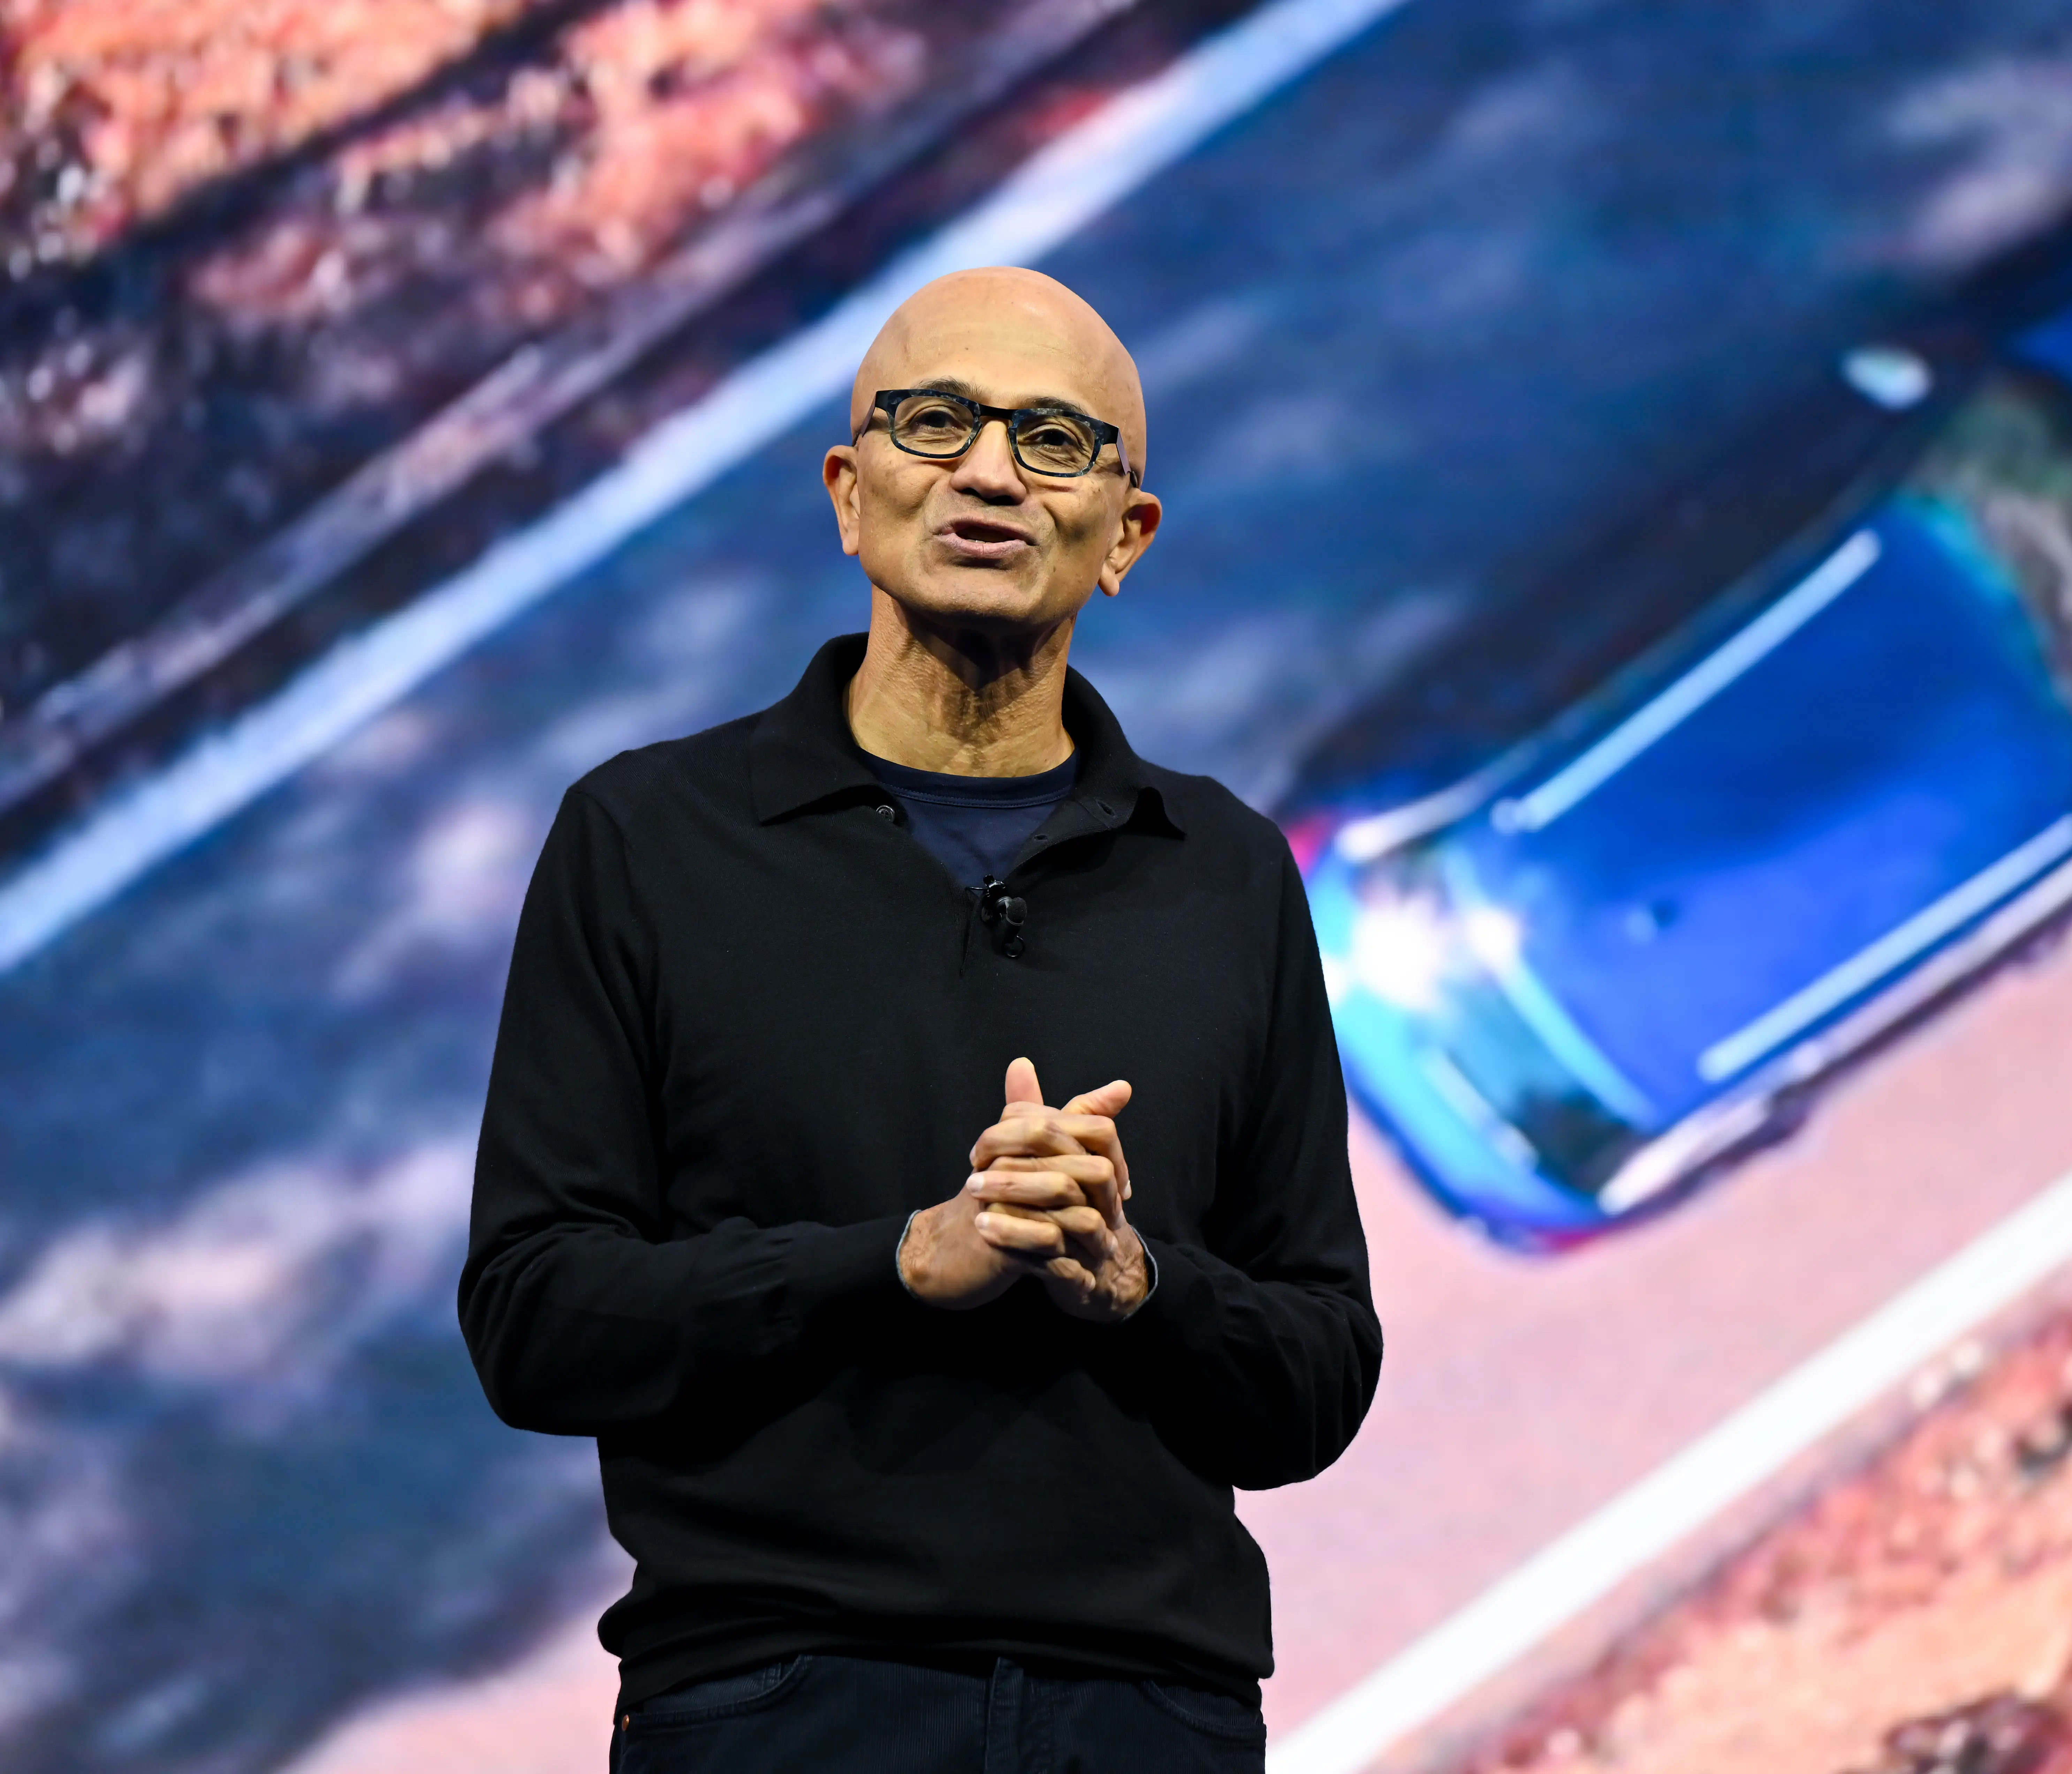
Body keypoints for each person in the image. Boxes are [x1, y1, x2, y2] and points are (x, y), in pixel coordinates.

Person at [458, 265, 1381, 1773]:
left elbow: (1318, 1375)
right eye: (937, 419)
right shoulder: (648, 837)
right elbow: (535, 1318)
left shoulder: (1224, 876)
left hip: (1153, 1716)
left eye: (1055, 440)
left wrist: (1135, 1281)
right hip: (771, 1703)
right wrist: (894, 1263)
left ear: (1126, 537)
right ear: (849, 489)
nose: (991, 471)